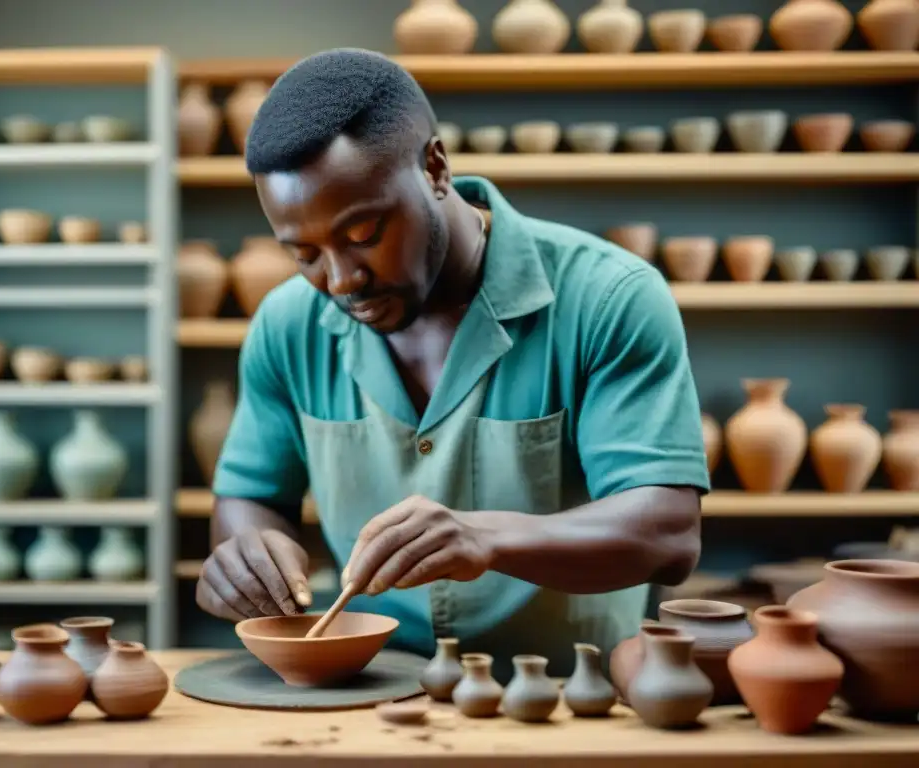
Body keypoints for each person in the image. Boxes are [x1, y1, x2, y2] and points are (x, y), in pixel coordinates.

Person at [196, 48, 709, 677]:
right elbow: (249, 496)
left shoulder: (608, 298)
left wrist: (485, 538)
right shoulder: (286, 325)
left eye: (363, 234)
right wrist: (245, 550)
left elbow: (668, 533)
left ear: (434, 168)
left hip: (575, 696)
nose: (340, 279)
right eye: (303, 252)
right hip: (373, 694)